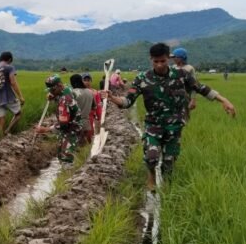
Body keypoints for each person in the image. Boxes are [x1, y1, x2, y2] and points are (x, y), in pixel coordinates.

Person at [104, 43, 236, 191]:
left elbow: (201, 88)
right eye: (156, 61)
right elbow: (128, 100)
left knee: (169, 163)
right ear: (151, 59)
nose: (159, 65)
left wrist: (223, 100)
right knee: (151, 156)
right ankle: (151, 177)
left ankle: (167, 189)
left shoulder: (181, 75)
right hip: (153, 125)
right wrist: (113, 98)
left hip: (174, 126)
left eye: (163, 61)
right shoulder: (143, 78)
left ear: (168, 59)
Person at [34, 74, 83, 163]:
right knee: (64, 151)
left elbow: (63, 125)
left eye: (53, 90)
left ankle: (69, 172)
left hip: (71, 129)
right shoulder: (67, 88)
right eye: (50, 90)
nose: (51, 92)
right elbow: (62, 92)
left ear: (59, 85)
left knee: (65, 156)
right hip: (76, 124)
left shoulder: (64, 101)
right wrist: (53, 95)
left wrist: (45, 129)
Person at [170, 47, 196, 122]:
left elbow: (194, 86)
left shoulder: (189, 68)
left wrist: (193, 99)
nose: (173, 59)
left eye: (175, 57)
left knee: (184, 117)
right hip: (173, 96)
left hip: (185, 97)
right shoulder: (173, 68)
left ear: (181, 58)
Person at [69, 73, 95, 143]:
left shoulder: (72, 93)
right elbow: (94, 107)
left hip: (75, 124)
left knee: (76, 146)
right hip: (86, 123)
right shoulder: (90, 92)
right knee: (86, 145)